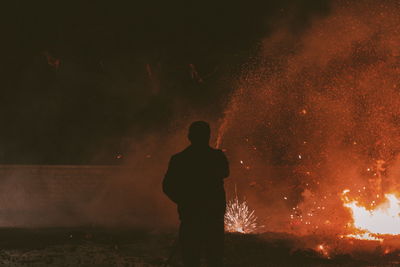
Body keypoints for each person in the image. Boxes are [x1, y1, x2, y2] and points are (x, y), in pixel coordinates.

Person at [163, 121, 229, 267]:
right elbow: (226, 172)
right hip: (213, 217)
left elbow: (167, 187)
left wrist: (184, 201)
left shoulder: (179, 159)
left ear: (190, 136)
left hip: (190, 217)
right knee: (214, 258)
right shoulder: (217, 157)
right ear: (208, 136)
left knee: (191, 258)